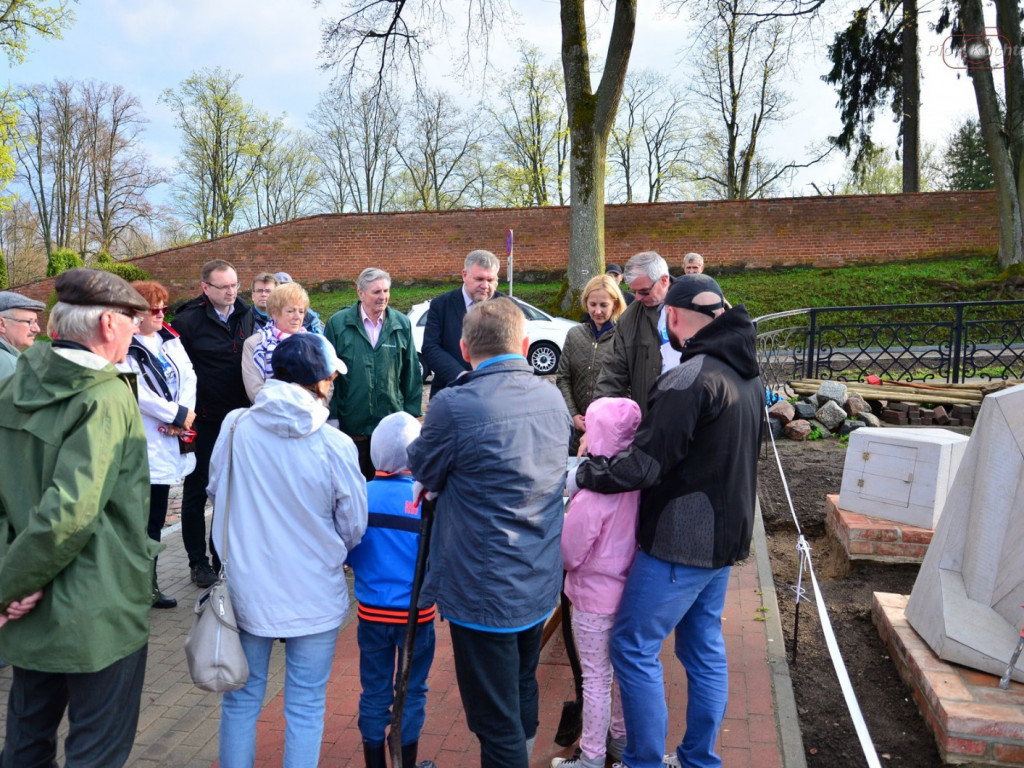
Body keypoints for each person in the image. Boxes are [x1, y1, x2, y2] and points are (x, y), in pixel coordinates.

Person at [571, 274, 763, 768]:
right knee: (703, 651)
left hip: (681, 543)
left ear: (673, 317)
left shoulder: (689, 378)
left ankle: (643, 761)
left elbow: (643, 466)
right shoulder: (746, 372)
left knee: (633, 646)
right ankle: (699, 758)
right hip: (727, 538)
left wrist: (586, 473)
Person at [0, 268, 159, 767]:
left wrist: (11, 583)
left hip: (30, 604)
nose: (137, 329)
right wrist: (9, 585)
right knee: (97, 749)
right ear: (109, 324)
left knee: (26, 740)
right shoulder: (106, 395)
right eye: (132, 320)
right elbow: (70, 511)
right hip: (100, 606)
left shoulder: (13, 386)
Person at [407, 297, 571, 768]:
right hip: (535, 574)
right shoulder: (550, 396)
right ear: (523, 344)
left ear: (463, 348)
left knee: (493, 718)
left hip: (484, 586)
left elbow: (423, 465)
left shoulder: (454, 404)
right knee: (521, 685)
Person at [210, 332, 367, 768]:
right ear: (318, 382)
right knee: (306, 703)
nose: (334, 382)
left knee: (241, 700)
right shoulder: (335, 444)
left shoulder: (236, 426)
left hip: (245, 587)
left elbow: (215, 489)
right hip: (314, 586)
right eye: (331, 376)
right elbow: (354, 523)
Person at [554, 397, 642, 768]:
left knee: (595, 680)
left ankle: (590, 757)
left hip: (592, 601)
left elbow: (570, 554)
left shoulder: (591, 496)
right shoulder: (638, 485)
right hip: (630, 594)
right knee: (621, 674)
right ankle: (620, 741)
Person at [346, 412, 437, 768]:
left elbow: (350, 550)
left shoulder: (361, 495)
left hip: (371, 612)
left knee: (374, 691)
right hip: (417, 615)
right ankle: (406, 761)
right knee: (412, 691)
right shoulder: (425, 499)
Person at [171, 259, 255, 588]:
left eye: (235, 285)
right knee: (196, 492)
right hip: (203, 421)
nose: (232, 291)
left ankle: (222, 556)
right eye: (224, 286)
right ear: (206, 288)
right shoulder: (187, 321)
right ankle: (197, 561)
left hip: (238, 419)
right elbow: (178, 374)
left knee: (231, 491)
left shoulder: (247, 314)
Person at [119, 280, 198, 610]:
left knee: (157, 514)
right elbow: (135, 391)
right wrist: (175, 414)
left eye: (165, 308)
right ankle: (141, 587)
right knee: (146, 520)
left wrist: (184, 415)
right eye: (155, 309)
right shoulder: (126, 345)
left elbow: (189, 375)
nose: (161, 314)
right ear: (136, 313)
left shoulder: (170, 339)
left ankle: (149, 585)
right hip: (149, 437)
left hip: (174, 434)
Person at [324, 267, 422, 480]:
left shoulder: (401, 324)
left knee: (388, 484)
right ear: (360, 293)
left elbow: (411, 372)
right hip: (353, 423)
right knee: (355, 484)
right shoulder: (338, 324)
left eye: (386, 291)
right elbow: (329, 376)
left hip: (391, 425)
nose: (383, 297)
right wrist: (332, 418)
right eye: (376, 292)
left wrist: (411, 416)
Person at [593, 251, 676, 416]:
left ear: (664, 280)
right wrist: (598, 418)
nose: (637, 297)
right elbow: (612, 375)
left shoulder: (699, 304)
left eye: (644, 291)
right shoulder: (628, 320)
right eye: (634, 291)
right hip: (650, 422)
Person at [556, 274, 627, 455]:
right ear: (585, 303)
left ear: (615, 305)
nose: (597, 311)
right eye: (592, 305)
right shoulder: (574, 335)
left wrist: (603, 420)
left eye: (604, 305)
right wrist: (573, 414)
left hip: (609, 430)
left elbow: (628, 385)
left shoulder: (623, 337)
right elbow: (563, 377)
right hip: (576, 429)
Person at [421, 249, 501, 398]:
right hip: (449, 392)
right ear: (464, 275)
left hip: (494, 395)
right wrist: (461, 376)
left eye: (490, 280)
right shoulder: (441, 305)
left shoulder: (506, 307)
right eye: (479, 279)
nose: (485, 286)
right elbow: (430, 348)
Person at [241, 281, 315, 402]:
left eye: (301, 311)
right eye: (290, 311)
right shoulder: (254, 344)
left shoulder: (314, 343)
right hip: (270, 415)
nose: (297, 317)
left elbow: (326, 386)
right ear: (275, 313)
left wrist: (308, 406)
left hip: (308, 413)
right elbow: (255, 391)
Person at [0, 290, 46, 379]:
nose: (37, 329)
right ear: (2, 324)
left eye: (36, 321)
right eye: (30, 322)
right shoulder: (14, 370)